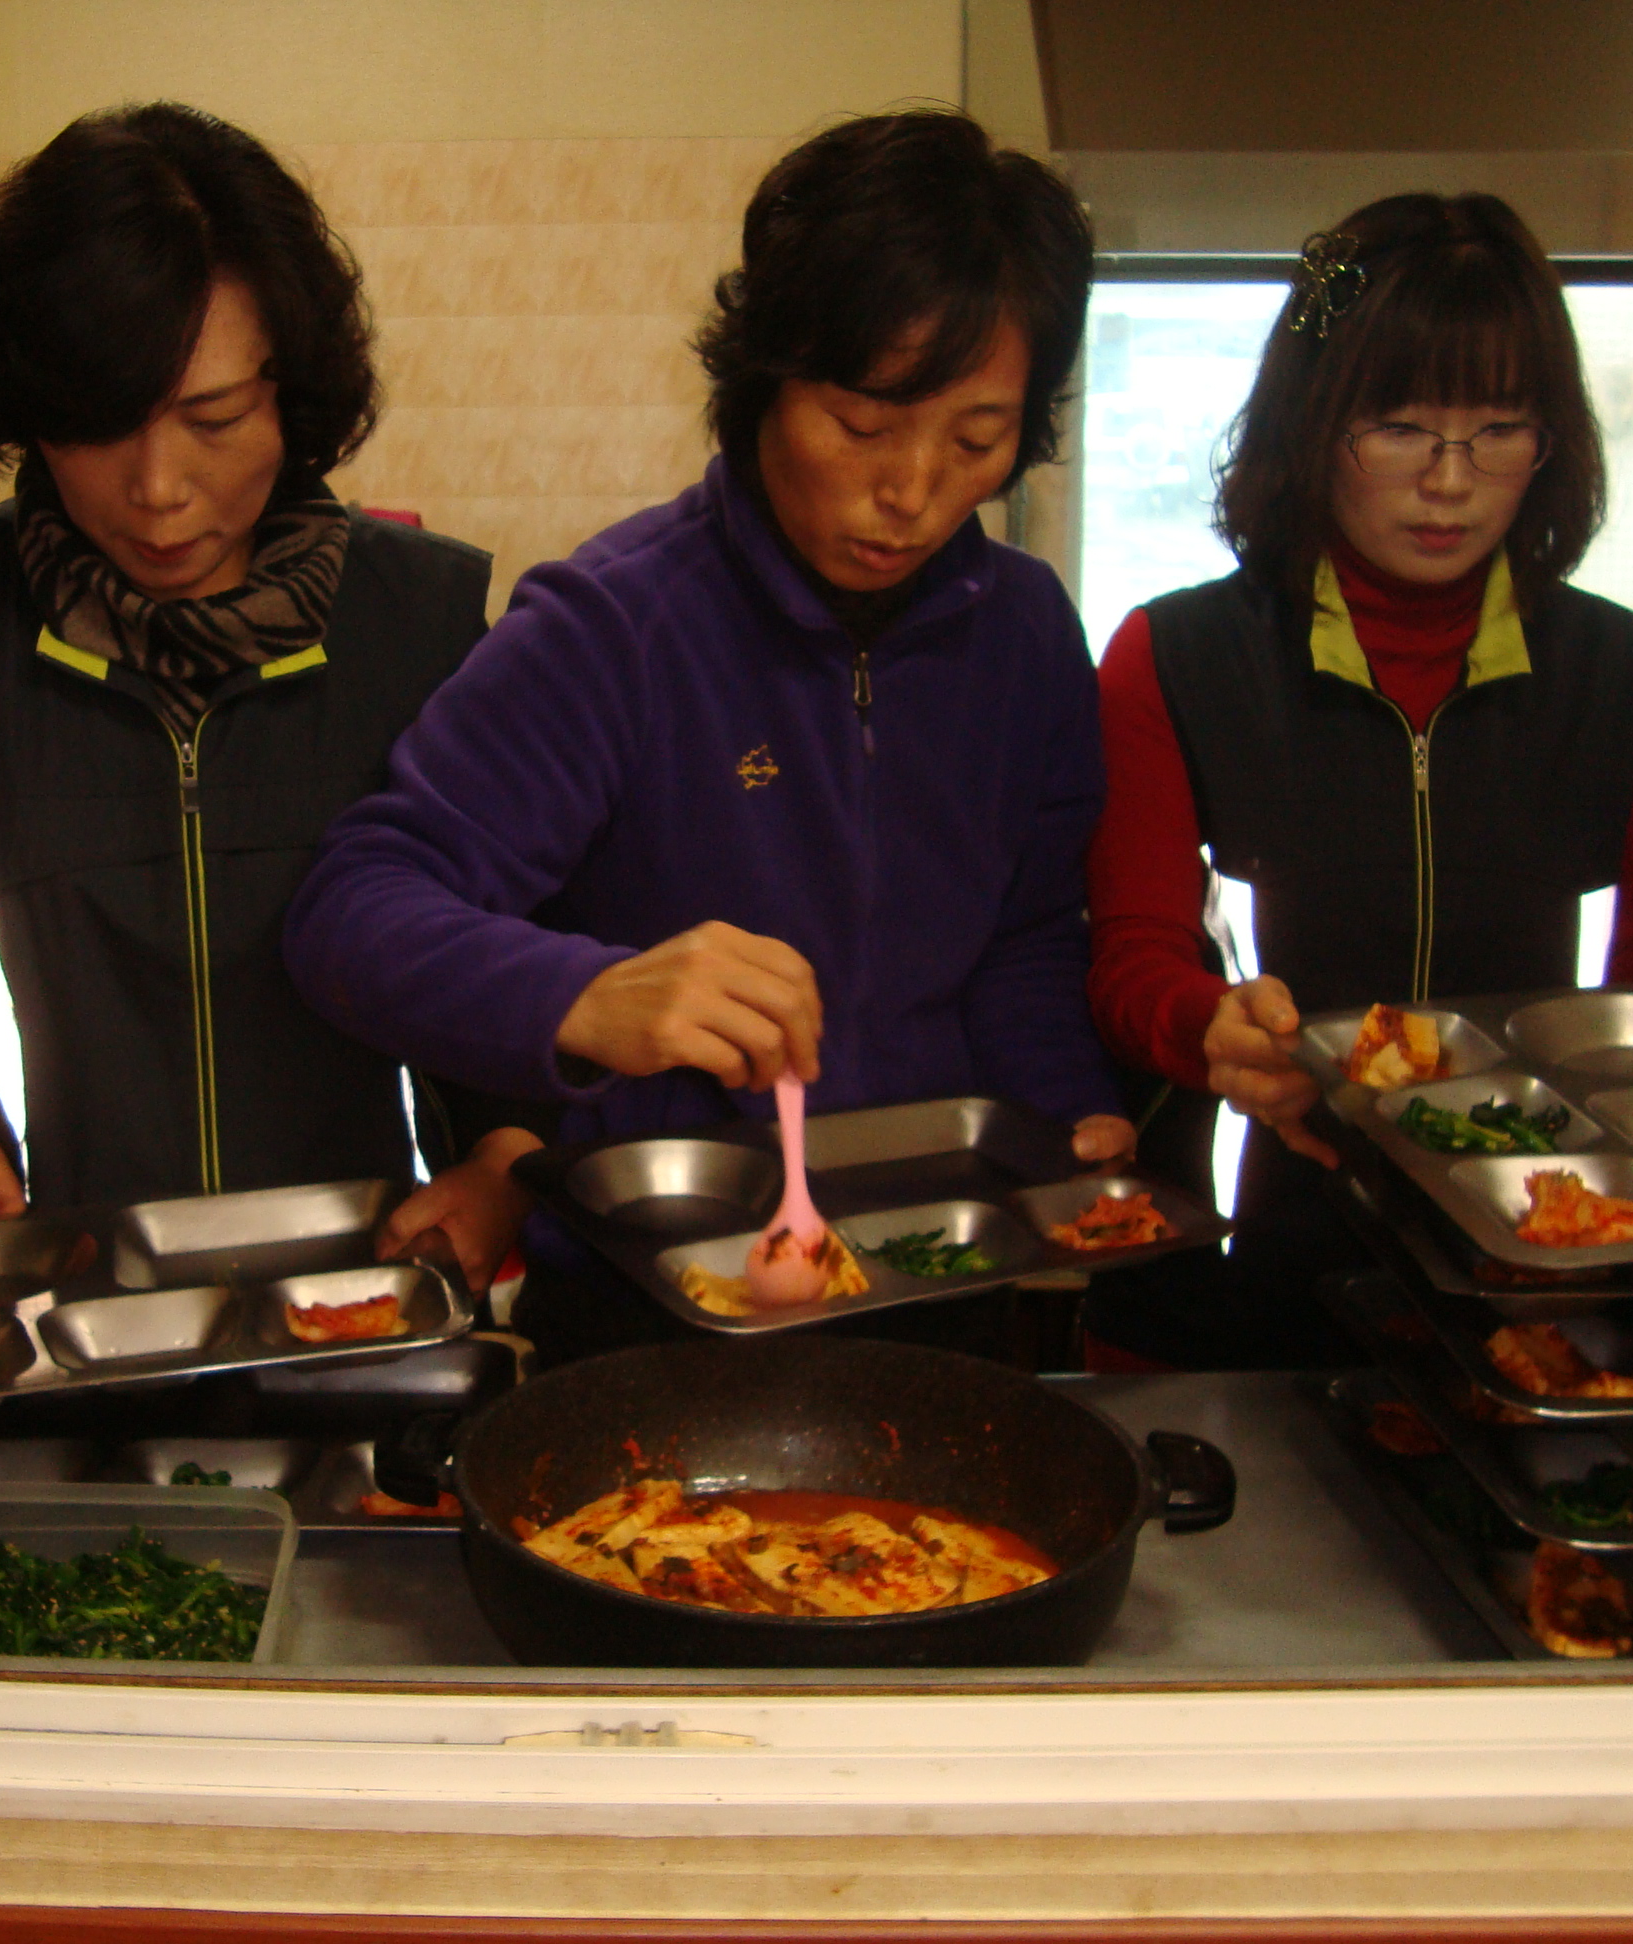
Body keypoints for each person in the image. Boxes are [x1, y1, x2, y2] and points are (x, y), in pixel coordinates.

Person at [0, 105, 536, 1402]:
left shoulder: (419, 631)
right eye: (99, 424)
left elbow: (520, 955)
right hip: (45, 1353)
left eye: (213, 417)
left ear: (294, 390)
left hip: (369, 1335)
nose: (157, 487)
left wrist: (506, 1163)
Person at [282, 110, 1133, 1362]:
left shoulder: (1024, 634)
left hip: (937, 1291)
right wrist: (587, 996)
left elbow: (1023, 938)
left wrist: (1070, 1118)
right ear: (764, 381)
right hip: (653, 1309)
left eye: (975, 440)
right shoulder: (616, 623)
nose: (912, 492)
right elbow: (351, 911)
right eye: (862, 425)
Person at [1080, 192, 1633, 1370]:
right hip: (1246, 1277)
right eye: (1400, 427)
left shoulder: (1618, 669)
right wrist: (1205, 1028)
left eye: (1498, 429)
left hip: (1532, 1287)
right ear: (1311, 426)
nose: (1450, 481)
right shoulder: (1176, 658)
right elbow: (1131, 964)